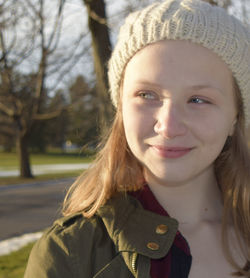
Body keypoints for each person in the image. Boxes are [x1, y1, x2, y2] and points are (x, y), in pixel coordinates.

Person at [24, 0, 250, 277]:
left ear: (235, 117)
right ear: (121, 107)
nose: (168, 126)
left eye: (198, 99)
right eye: (147, 95)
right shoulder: (70, 253)